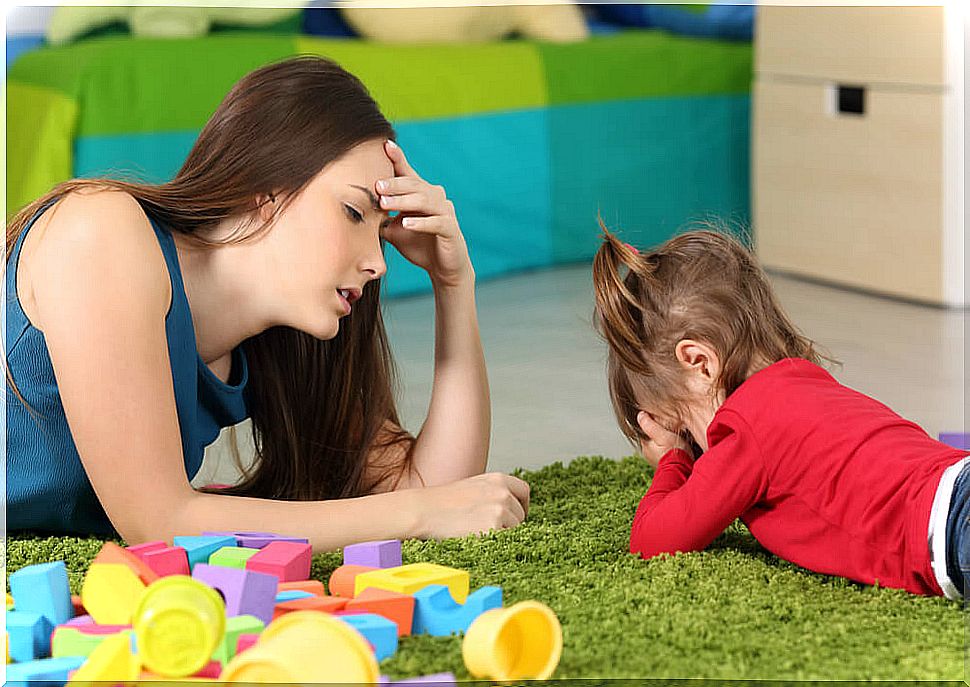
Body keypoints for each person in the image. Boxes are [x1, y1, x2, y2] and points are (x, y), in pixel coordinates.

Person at [5, 55, 530, 550]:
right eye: (353, 212)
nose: (379, 263)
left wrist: (454, 283)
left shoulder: (279, 340)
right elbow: (157, 522)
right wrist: (417, 513)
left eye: (382, 230)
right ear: (264, 191)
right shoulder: (99, 232)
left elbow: (431, 488)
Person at [591, 226, 969, 598]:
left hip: (952, 527)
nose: (702, 452)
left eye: (686, 428)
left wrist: (673, 459)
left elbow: (652, 540)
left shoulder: (743, 428)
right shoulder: (807, 382)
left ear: (700, 364)